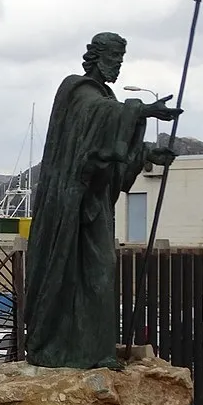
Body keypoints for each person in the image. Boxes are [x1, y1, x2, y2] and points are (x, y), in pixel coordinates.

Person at [24, 32, 179, 369]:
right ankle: (57, 347)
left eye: (122, 61)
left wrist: (150, 151)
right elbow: (97, 121)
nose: (118, 68)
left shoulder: (105, 98)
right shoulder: (78, 91)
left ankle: (96, 350)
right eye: (115, 60)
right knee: (69, 272)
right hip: (71, 202)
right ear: (97, 58)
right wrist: (144, 111)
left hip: (94, 202)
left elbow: (108, 149)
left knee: (100, 273)